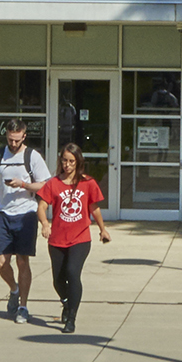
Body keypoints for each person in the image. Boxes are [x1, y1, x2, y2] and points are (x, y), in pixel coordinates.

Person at [34, 141, 111, 332]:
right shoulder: (53, 183)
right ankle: (66, 302)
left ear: (78, 162)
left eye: (71, 161)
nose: (67, 165)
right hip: (57, 239)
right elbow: (41, 207)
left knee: (72, 272)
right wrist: (45, 224)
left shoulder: (88, 183)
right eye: (64, 161)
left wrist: (103, 229)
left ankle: (72, 318)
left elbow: (95, 209)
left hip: (80, 238)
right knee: (58, 280)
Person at [0, 119, 53, 322]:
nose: (13, 144)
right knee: (1, 262)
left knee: (22, 261)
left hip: (27, 214)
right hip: (3, 213)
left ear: (24, 136)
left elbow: (45, 186)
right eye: (10, 140)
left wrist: (23, 184)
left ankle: (23, 306)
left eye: (17, 140)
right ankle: (14, 289)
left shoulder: (32, 156)